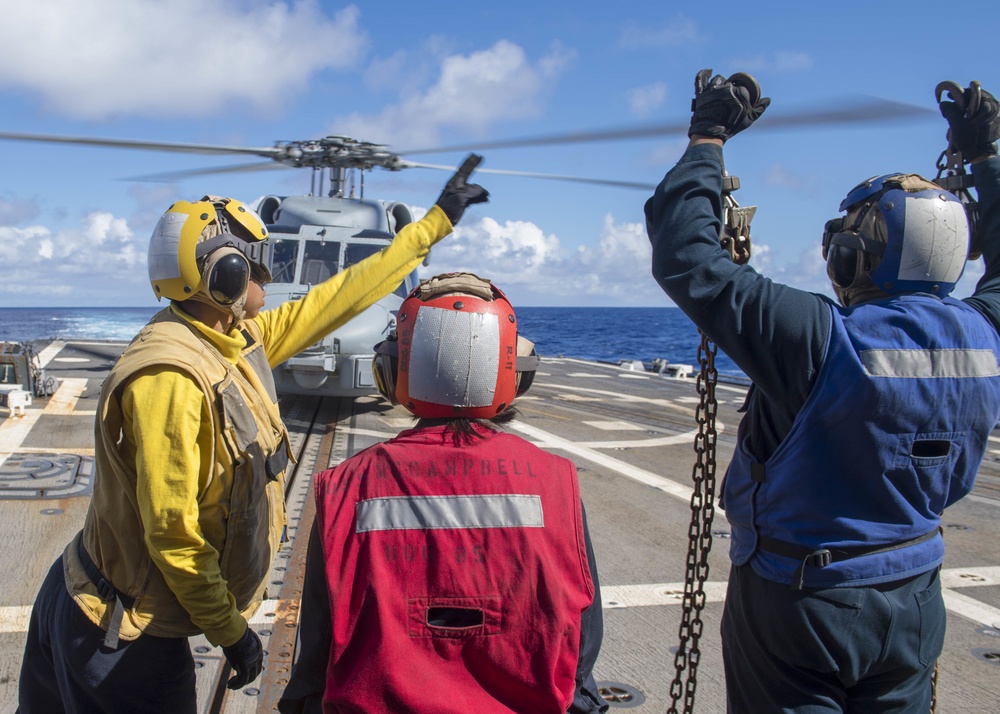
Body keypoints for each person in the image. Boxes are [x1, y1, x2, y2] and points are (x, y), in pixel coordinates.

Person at [17, 157, 490, 713]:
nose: (266, 275)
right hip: (120, 636)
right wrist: (230, 631)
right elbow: (172, 534)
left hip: (109, 606)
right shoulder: (171, 378)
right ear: (225, 276)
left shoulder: (233, 341)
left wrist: (436, 222)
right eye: (255, 262)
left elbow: (339, 296)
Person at [644, 69, 1000, 713]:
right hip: (915, 594)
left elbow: (686, 256)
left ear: (848, 259)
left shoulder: (819, 339)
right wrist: (985, 157)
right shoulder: (985, 335)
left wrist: (707, 139)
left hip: (802, 597)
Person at [276, 273, 607, 714]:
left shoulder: (346, 487)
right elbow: (581, 645)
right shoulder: (556, 483)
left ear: (393, 372)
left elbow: (318, 652)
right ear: (513, 376)